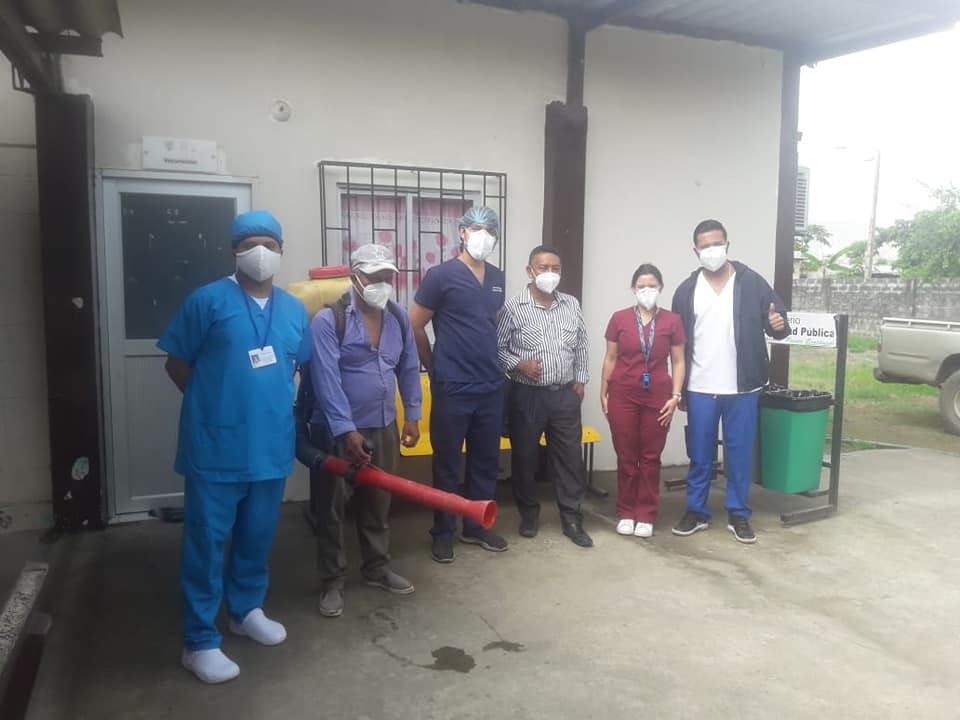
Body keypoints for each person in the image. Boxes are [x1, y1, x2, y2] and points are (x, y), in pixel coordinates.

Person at [158, 210, 311, 684]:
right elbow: (176, 365)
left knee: (256, 536)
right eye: (249, 245)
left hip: (270, 446)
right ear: (234, 251)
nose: (260, 253)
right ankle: (199, 640)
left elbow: (294, 369)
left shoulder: (293, 310)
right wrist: (214, 405)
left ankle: (245, 611)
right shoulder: (207, 301)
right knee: (205, 544)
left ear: (281, 250)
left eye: (269, 244)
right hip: (216, 448)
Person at [308, 244, 422, 618]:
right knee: (332, 507)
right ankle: (332, 580)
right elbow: (326, 381)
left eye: (388, 277)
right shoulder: (329, 320)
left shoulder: (398, 317)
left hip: (383, 424)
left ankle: (376, 567)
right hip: (337, 431)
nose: (382, 284)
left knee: (378, 502)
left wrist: (412, 414)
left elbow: (409, 366)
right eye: (375, 278)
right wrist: (346, 431)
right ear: (355, 277)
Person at [670, 219, 790, 544]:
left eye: (717, 244)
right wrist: (678, 389)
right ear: (695, 251)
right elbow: (677, 345)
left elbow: (777, 321)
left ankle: (738, 513)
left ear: (727, 245)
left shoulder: (752, 282)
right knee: (700, 454)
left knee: (739, 453)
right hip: (700, 386)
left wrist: (777, 324)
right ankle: (696, 511)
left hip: (743, 386)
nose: (712, 250)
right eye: (705, 246)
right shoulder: (686, 291)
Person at [409, 206, 508, 563]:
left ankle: (476, 526)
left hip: (490, 385)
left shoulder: (497, 278)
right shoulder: (440, 276)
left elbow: (489, 323)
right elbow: (415, 323)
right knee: (448, 463)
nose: (484, 236)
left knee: (485, 460)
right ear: (462, 232)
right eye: (477, 228)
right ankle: (443, 531)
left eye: (490, 230)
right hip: (452, 385)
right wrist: (432, 365)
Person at [496, 246, 592, 547]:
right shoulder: (513, 308)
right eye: (543, 267)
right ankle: (528, 514)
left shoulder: (571, 304)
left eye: (555, 268)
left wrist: (581, 379)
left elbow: (582, 344)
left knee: (569, 458)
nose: (550, 273)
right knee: (525, 458)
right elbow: (497, 349)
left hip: (565, 395)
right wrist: (519, 364)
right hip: (527, 396)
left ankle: (572, 518)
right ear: (530, 271)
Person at [601, 264, 686, 538]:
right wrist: (603, 391)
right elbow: (610, 358)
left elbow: (678, 361)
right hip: (623, 395)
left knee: (650, 457)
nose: (646, 291)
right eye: (641, 286)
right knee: (626, 456)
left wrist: (675, 396)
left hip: (658, 397)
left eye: (652, 286)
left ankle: (646, 514)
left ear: (661, 288)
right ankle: (626, 512)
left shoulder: (672, 321)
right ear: (633, 289)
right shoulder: (619, 319)